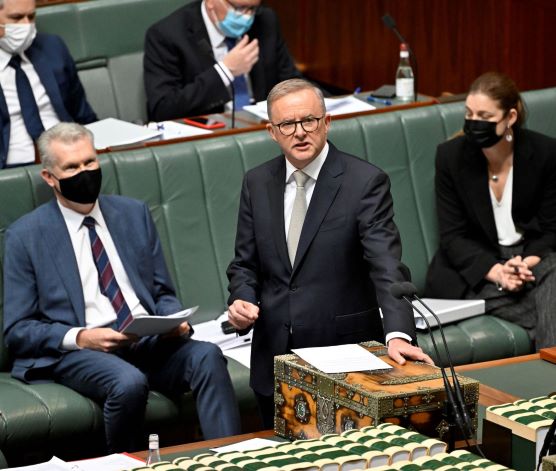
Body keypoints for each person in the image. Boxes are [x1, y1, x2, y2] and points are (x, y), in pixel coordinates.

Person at [3, 123, 241, 452]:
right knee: (128, 382)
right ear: (49, 177)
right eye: (71, 167)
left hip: (147, 340)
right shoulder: (26, 237)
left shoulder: (133, 214)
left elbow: (161, 293)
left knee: (207, 356)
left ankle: (226, 458)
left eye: (89, 162)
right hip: (83, 350)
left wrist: (173, 320)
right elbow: (17, 329)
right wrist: (80, 337)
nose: (83, 172)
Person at [226, 78, 433, 427]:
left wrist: (398, 332)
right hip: (273, 358)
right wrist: (241, 298)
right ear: (271, 132)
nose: (300, 132)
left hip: (344, 362)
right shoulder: (257, 182)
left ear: (326, 122)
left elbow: (386, 266)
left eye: (309, 120)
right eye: (287, 124)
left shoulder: (364, 182)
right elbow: (244, 264)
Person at [425, 71, 556, 350]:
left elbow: (551, 228)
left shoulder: (545, 153)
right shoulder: (450, 157)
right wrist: (497, 272)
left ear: (510, 118)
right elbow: (453, 237)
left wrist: (525, 263)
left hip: (531, 260)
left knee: (554, 271)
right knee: (550, 311)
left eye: (485, 117)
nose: (474, 123)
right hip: (478, 266)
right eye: (469, 114)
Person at [143, 0, 301, 121]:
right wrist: (225, 71)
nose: (246, 16)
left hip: (262, 129)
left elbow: (290, 80)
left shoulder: (266, 20)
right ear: (211, 1)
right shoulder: (167, 35)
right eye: (238, 8)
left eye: (252, 8)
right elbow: (163, 108)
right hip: (206, 137)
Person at [0, 0, 97, 169]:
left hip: (70, 162)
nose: (26, 25)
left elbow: (83, 115)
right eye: (16, 18)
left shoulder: (52, 48)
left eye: (31, 16)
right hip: (10, 167)